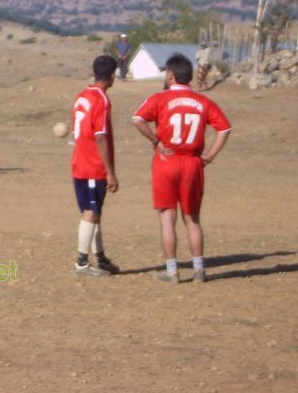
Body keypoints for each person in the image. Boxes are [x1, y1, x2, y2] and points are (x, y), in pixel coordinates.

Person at [132, 53, 231, 284]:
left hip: (167, 161)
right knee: (192, 218)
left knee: (168, 218)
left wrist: (156, 141)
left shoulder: (159, 98)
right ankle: (198, 270)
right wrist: (210, 156)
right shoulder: (204, 102)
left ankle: (172, 270)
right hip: (193, 163)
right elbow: (225, 129)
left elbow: (138, 118)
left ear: (170, 75)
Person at [70, 54, 120, 277]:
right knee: (91, 212)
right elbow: (100, 136)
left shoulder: (82, 95)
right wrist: (110, 172)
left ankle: (100, 258)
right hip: (92, 165)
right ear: (112, 77)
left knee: (94, 212)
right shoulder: (101, 99)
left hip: (79, 161)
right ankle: (81, 263)